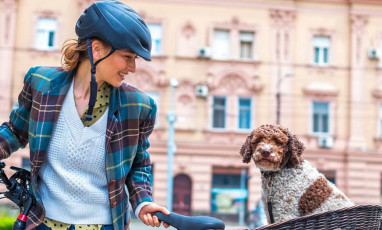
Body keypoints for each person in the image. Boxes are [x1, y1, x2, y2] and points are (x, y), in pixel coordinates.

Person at [0, 1, 170, 229]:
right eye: (128, 57)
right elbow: (15, 131)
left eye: (135, 59)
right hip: (42, 222)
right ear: (97, 49)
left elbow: (139, 165)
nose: (133, 68)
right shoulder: (41, 84)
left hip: (104, 225)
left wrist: (143, 202)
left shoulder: (139, 106)